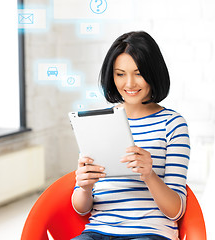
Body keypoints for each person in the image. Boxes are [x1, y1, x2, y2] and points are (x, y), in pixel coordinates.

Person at [71, 31, 190, 240]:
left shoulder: (172, 124)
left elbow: (176, 211)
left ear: (153, 73)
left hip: (150, 232)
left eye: (139, 73)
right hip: (98, 232)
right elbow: (81, 209)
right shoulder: (96, 123)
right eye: (120, 74)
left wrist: (149, 175)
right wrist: (85, 187)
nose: (129, 84)